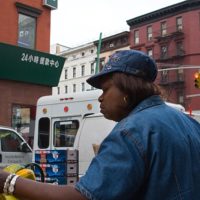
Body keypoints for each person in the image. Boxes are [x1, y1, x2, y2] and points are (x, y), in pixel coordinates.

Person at [0, 50, 200, 200]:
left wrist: (9, 181)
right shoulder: (190, 123)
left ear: (127, 89)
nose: (101, 98)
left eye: (105, 89)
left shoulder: (130, 131)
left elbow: (84, 197)